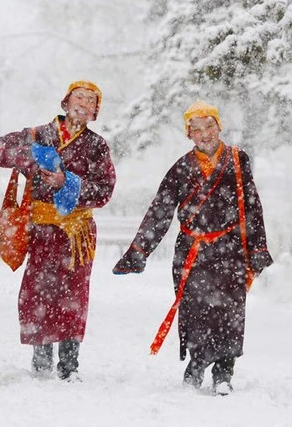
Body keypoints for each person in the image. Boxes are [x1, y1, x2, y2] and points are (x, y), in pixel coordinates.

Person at [112, 99, 273, 396]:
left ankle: (224, 373)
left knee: (230, 311)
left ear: (219, 126)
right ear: (189, 134)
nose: (205, 134)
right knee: (195, 310)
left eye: (209, 126)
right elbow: (159, 211)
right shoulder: (181, 168)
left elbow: (251, 206)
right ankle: (197, 364)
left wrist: (258, 248)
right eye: (196, 129)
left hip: (230, 249)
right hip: (192, 251)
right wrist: (138, 252)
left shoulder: (238, 160)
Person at [0, 80, 116, 382]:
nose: (84, 104)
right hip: (42, 231)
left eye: (91, 101)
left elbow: (104, 190)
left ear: (95, 112)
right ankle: (41, 360)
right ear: (65, 102)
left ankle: (69, 365)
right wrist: (32, 158)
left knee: (74, 295)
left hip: (78, 234)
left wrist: (68, 183)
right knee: (39, 293)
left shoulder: (97, 146)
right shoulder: (39, 134)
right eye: (79, 97)